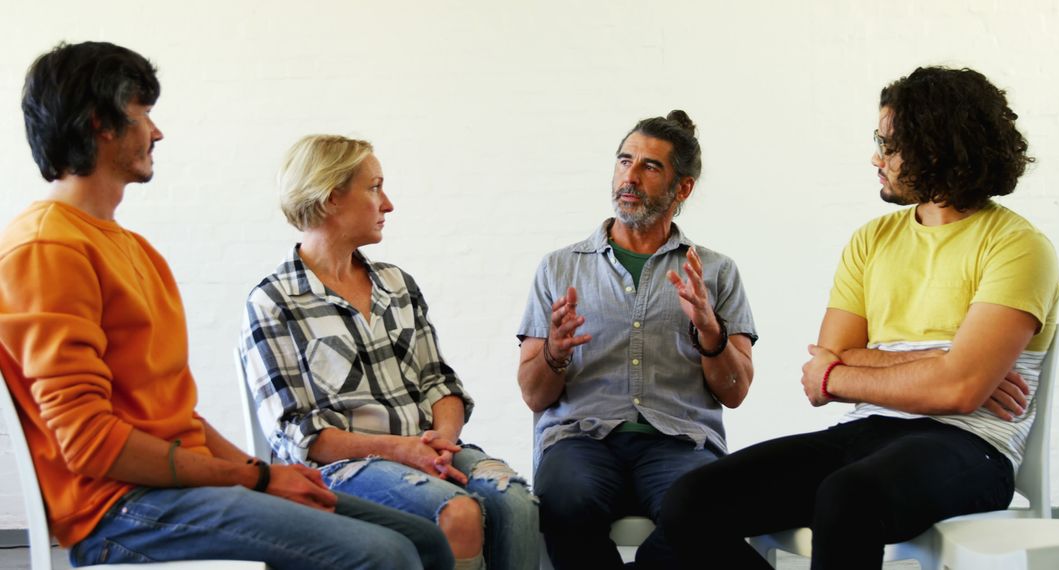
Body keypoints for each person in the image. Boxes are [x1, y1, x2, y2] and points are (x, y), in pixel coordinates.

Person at [0, 41, 453, 570]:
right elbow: (90, 444)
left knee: (424, 540)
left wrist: (265, 472)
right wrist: (255, 476)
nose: (156, 131)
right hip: (118, 511)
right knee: (385, 554)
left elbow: (176, 420)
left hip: (168, 492)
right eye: (143, 113)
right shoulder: (45, 247)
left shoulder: (132, 249)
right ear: (101, 123)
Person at [662, 66, 1059, 569]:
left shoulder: (1018, 246)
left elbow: (957, 393)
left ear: (937, 148)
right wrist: (938, 358)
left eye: (889, 145)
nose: (877, 157)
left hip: (972, 445)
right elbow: (820, 375)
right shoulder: (872, 240)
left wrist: (862, 370)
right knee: (687, 503)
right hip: (868, 430)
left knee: (849, 495)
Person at [238, 134, 540, 570]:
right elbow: (297, 435)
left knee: (516, 503)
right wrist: (400, 450)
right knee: (457, 511)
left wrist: (440, 443)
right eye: (374, 187)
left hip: (425, 450)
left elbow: (440, 382)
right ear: (330, 198)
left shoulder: (397, 285)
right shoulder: (273, 302)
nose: (388, 204)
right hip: (340, 469)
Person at [516, 111, 758, 569]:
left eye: (649, 166)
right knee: (565, 504)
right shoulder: (559, 268)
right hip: (579, 440)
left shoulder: (716, 272)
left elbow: (736, 390)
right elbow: (533, 394)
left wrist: (710, 330)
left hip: (679, 443)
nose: (629, 176)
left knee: (706, 512)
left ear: (682, 188)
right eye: (624, 160)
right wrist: (555, 352)